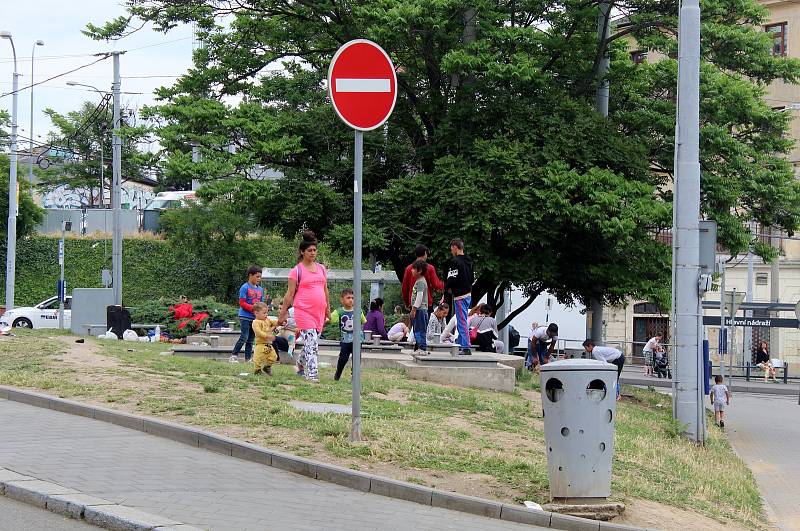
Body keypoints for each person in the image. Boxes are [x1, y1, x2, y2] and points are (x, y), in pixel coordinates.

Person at [278, 231, 330, 383]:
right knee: (312, 341)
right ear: (302, 252)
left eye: (314, 250)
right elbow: (289, 294)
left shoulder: (321, 268)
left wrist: (327, 308)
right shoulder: (297, 271)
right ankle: (312, 374)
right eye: (309, 250)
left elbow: (325, 289)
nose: (313, 253)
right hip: (303, 311)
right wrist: (282, 313)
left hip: (319, 311)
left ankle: (300, 363)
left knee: (311, 341)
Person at [330, 288, 367, 381]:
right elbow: (330, 319)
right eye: (348, 297)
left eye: (352, 298)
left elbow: (363, 321)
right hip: (345, 341)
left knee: (356, 359)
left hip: (357, 340)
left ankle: (354, 376)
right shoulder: (339, 311)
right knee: (343, 358)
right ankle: (338, 373)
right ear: (342, 300)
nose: (351, 300)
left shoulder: (358, 310)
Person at [229, 265, 265, 363]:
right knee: (244, 337)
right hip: (245, 316)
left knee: (251, 339)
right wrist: (253, 308)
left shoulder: (261, 290)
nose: (259, 279)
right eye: (257, 277)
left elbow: (261, 304)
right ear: (250, 275)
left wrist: (263, 312)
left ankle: (248, 359)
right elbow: (242, 303)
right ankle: (233, 356)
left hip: (255, 319)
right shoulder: (244, 287)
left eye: (260, 277)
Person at [444, 238, 474, 355]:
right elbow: (471, 279)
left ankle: (466, 347)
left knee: (461, 322)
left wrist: (447, 288)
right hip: (468, 293)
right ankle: (460, 344)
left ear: (455, 247)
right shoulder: (469, 261)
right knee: (463, 319)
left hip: (459, 295)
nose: (451, 251)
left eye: (451, 248)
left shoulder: (455, 261)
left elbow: (451, 278)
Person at [401, 244, 445, 311]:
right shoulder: (430, 268)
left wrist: (407, 303)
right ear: (425, 253)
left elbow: (405, 288)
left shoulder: (409, 268)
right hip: (426, 302)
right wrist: (445, 284)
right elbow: (436, 285)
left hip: (412, 303)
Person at [409, 260, 430, 353]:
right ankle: (419, 347)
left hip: (420, 310)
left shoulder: (421, 282)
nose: (411, 270)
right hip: (418, 309)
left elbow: (419, 296)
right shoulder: (418, 281)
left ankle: (422, 348)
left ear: (420, 270)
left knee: (420, 330)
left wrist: (414, 308)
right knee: (417, 329)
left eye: (414, 269)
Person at [251, 302, 278, 375]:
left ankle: (267, 367)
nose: (266, 314)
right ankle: (257, 370)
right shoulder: (255, 322)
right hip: (260, 344)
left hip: (268, 344)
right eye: (264, 313)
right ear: (256, 313)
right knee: (258, 358)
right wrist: (267, 336)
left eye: (267, 313)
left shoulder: (267, 320)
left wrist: (281, 322)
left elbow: (275, 323)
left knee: (274, 356)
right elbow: (258, 332)